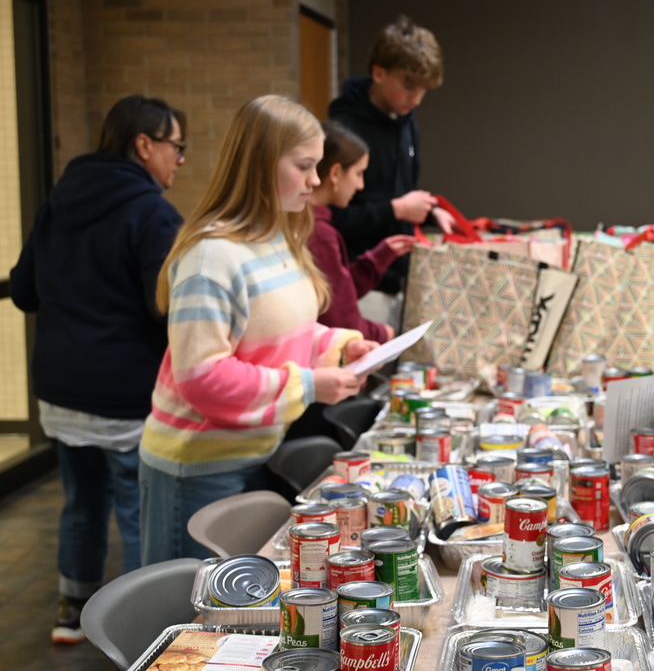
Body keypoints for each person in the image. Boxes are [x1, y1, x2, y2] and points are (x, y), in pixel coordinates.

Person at [139, 95, 378, 564]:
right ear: (262, 165)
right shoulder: (212, 257)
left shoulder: (279, 237)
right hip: (198, 466)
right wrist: (308, 385)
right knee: (195, 606)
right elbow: (202, 377)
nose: (315, 180)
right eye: (304, 166)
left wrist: (340, 347)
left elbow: (284, 334)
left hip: (254, 452)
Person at [9, 95, 186, 643]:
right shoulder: (153, 213)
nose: (180, 160)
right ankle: (139, 630)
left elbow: (24, 292)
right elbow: (165, 308)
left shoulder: (57, 203)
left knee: (82, 504)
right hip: (124, 393)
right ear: (144, 144)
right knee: (137, 511)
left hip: (61, 390)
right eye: (176, 146)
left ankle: (73, 611)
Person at [328, 14, 455, 330]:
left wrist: (430, 212)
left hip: (401, 280)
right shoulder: (343, 131)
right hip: (359, 283)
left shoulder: (407, 123)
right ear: (379, 73)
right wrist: (395, 209)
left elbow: (400, 192)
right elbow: (331, 218)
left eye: (423, 89)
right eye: (409, 86)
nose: (417, 99)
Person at [309, 120, 416, 342]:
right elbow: (340, 317)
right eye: (358, 174)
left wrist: (379, 257)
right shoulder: (320, 234)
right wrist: (383, 333)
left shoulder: (317, 226)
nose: (361, 185)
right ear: (336, 173)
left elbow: (339, 293)